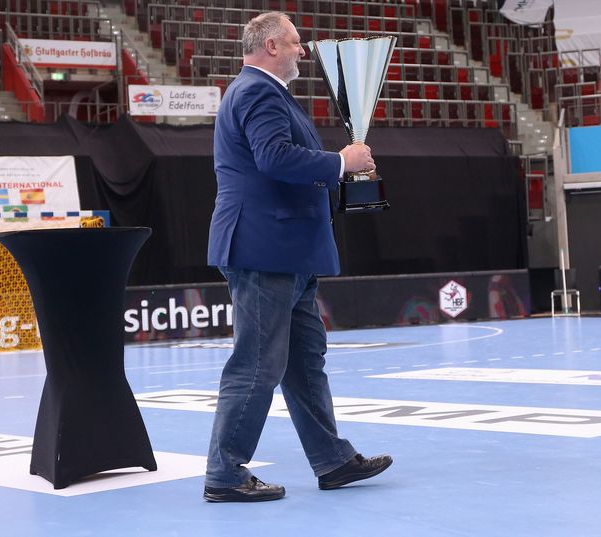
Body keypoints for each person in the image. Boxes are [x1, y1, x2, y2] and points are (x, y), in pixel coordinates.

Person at [204, 11, 392, 503]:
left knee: (305, 361)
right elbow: (275, 158)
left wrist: (336, 167)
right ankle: (224, 474)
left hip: (286, 250)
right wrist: (340, 161)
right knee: (257, 364)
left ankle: (332, 460)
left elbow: (276, 159)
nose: (303, 51)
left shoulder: (262, 92)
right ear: (271, 45)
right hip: (266, 247)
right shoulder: (258, 92)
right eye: (295, 42)